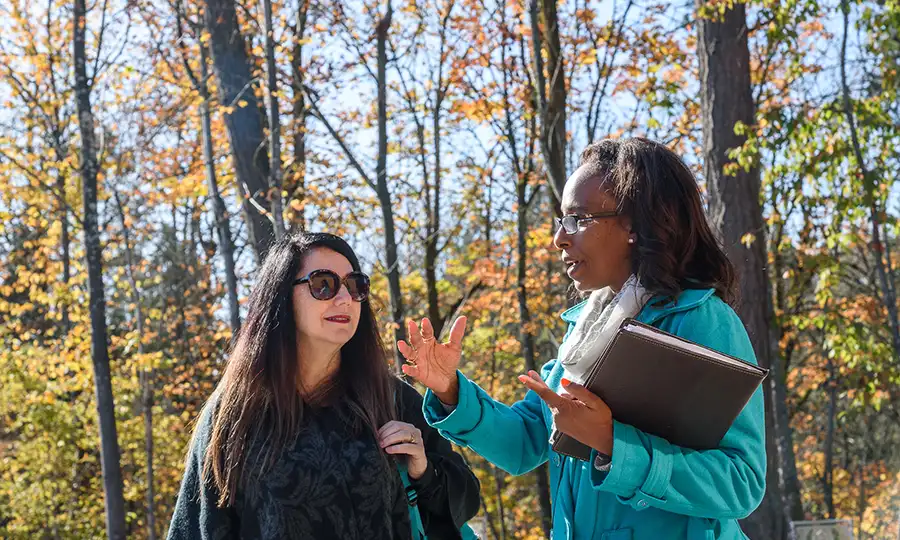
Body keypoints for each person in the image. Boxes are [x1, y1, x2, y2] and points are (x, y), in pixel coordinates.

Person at [400, 137, 766, 539]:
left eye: (578, 219)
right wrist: (452, 391)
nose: (559, 237)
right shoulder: (586, 329)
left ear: (635, 225)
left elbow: (741, 483)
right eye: (561, 220)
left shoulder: (703, 321)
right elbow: (525, 443)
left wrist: (614, 445)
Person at [167, 232, 480, 540]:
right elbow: (195, 529)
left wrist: (423, 472)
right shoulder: (235, 413)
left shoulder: (391, 399)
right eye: (323, 285)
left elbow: (464, 504)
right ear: (281, 297)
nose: (344, 298)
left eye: (355, 286)